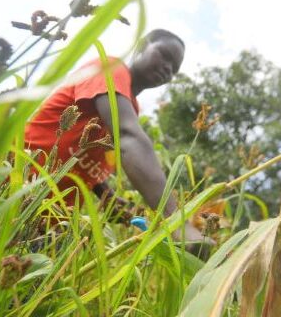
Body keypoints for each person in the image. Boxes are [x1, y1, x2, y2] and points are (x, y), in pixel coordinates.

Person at [24, 29, 206, 243]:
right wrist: (177, 223)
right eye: (165, 55)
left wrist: (106, 195)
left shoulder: (131, 110)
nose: (168, 68)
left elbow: (87, 157)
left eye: (174, 69)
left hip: (46, 222)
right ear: (141, 46)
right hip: (15, 187)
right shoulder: (110, 68)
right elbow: (128, 137)